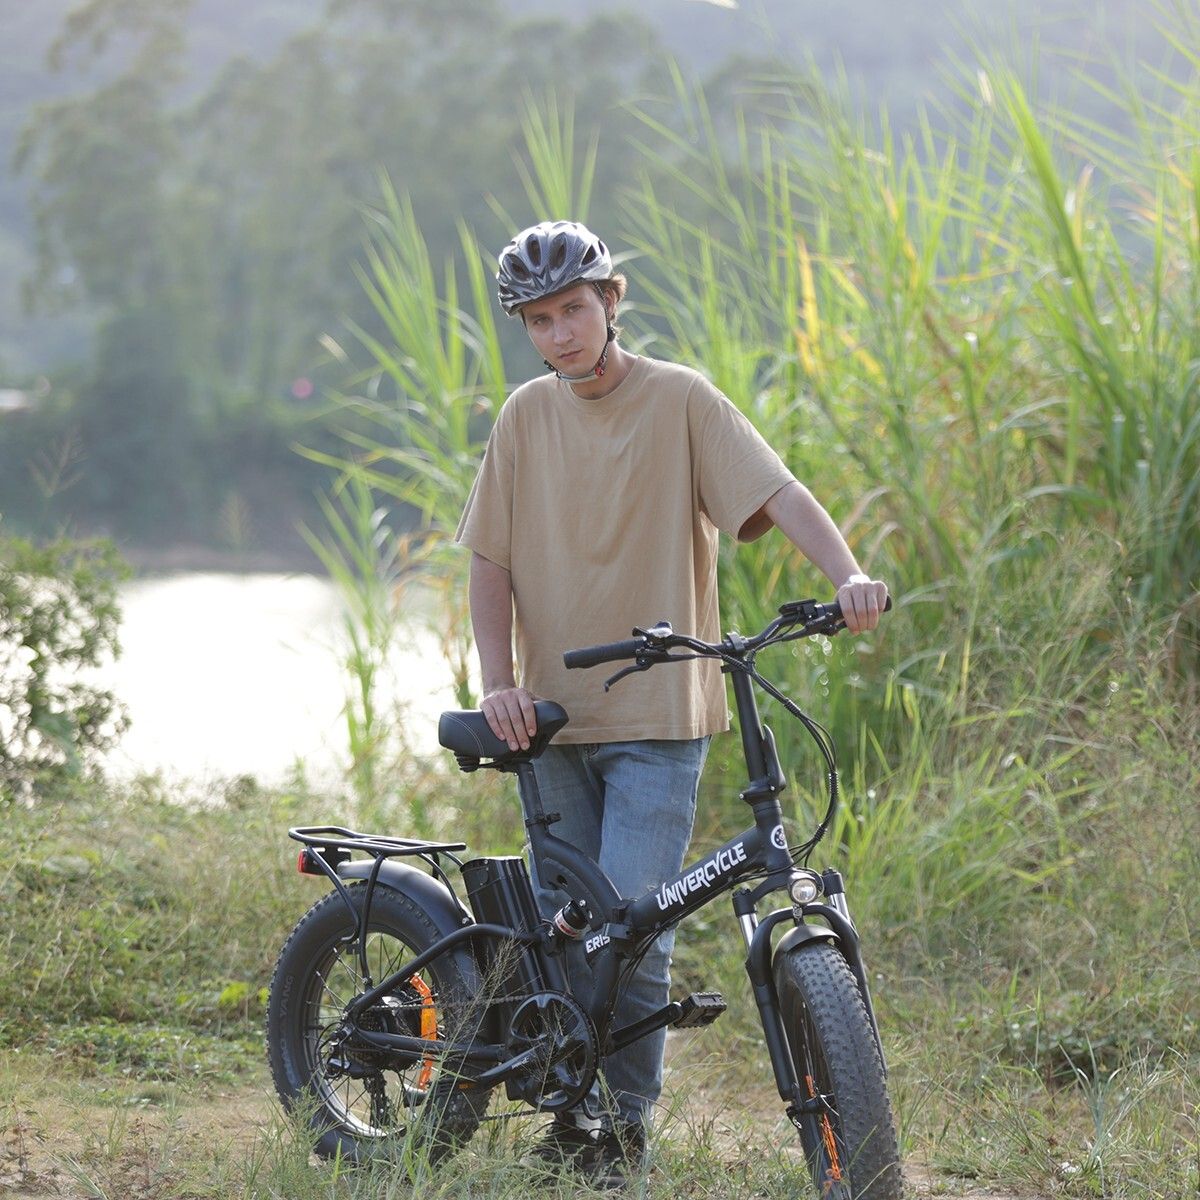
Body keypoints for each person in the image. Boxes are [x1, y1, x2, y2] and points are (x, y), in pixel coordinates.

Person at [455, 220, 888, 1188]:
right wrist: (498, 682)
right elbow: (489, 562)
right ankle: (571, 1119)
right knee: (578, 931)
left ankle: (620, 1129)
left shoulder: (681, 400)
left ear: (611, 303)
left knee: (635, 931)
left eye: (573, 310)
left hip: (659, 724)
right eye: (539, 319)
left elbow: (777, 494)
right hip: (553, 724)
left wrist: (849, 574)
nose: (560, 333)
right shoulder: (525, 418)